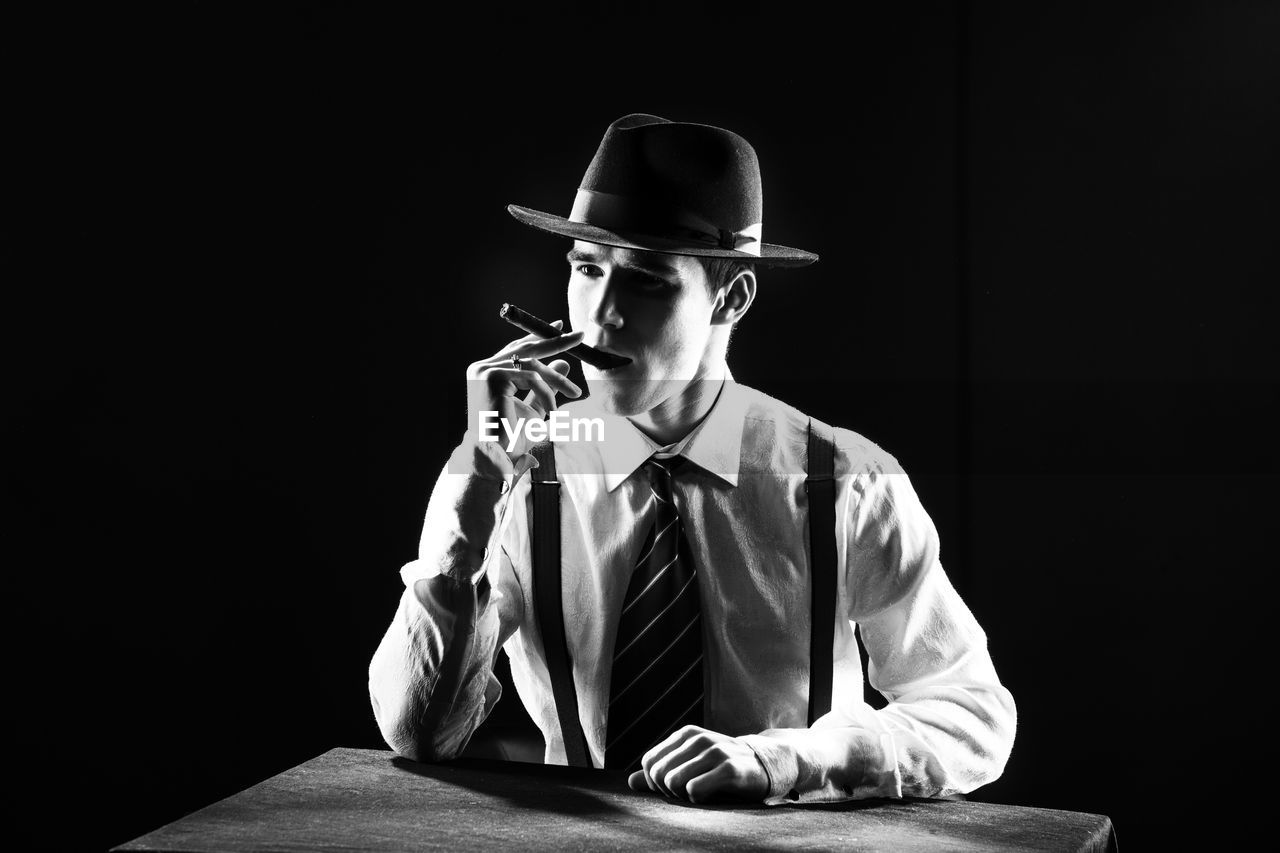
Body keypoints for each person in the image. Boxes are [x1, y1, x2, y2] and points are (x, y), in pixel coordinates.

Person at [369, 113, 1016, 805]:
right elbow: (419, 735)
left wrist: (789, 760)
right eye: (587, 269)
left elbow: (975, 717)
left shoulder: (842, 480)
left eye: (646, 279)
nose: (603, 313)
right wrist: (475, 486)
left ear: (731, 296)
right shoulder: (517, 473)